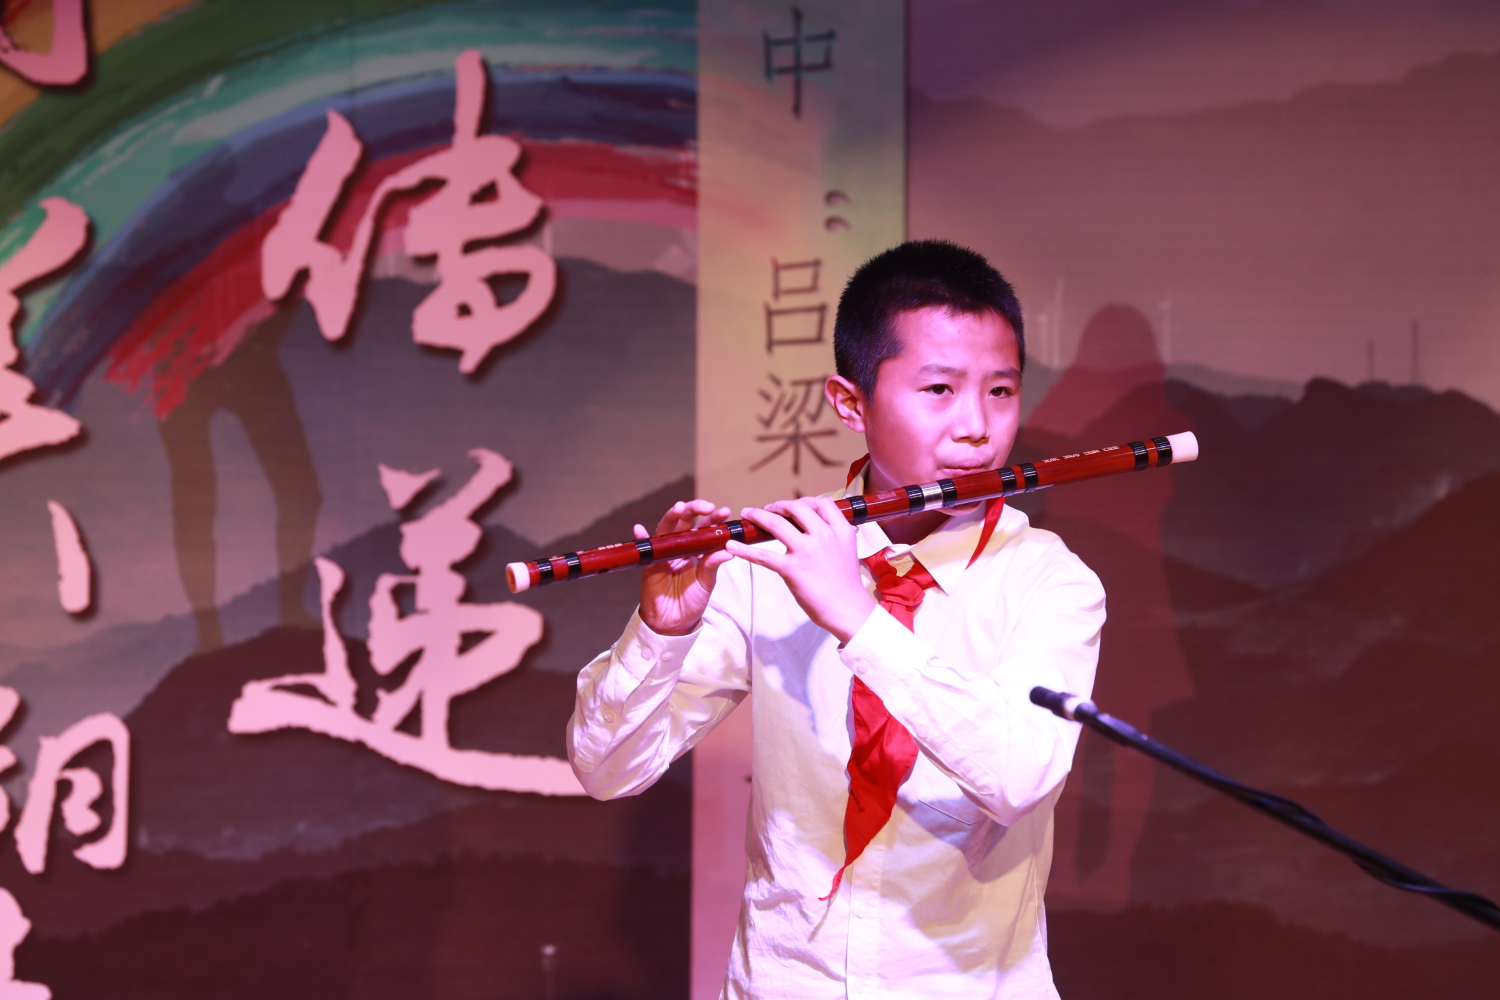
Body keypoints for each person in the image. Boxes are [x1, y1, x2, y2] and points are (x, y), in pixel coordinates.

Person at [568, 240, 1106, 998]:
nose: (977, 428)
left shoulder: (1048, 580)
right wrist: (663, 631)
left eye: (1001, 391)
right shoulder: (769, 562)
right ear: (851, 403)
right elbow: (606, 770)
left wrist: (861, 622)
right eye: (939, 390)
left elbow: (1021, 778)